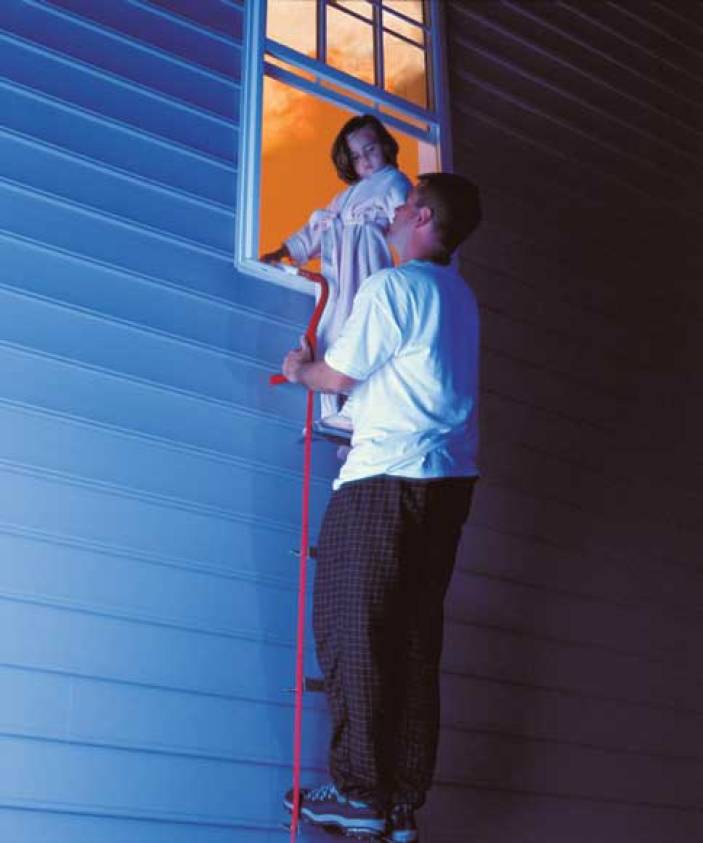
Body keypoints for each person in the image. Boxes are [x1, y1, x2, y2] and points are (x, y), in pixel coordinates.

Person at [280, 173, 482, 842]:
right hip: (444, 488)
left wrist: (301, 370)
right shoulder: (458, 298)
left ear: (422, 218)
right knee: (413, 640)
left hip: (384, 482)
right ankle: (399, 804)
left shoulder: (393, 287)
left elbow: (338, 375)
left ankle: (359, 791)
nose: (393, 210)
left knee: (353, 626)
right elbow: (409, 381)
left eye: (405, 202)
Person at [261, 113, 411, 431]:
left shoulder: (394, 182)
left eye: (370, 150)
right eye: (356, 157)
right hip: (337, 278)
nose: (365, 161)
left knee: (362, 333)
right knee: (332, 334)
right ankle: (333, 411)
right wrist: (283, 252)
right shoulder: (341, 200)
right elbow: (313, 233)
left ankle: (360, 408)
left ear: (385, 146)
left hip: (365, 268)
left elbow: (406, 225)